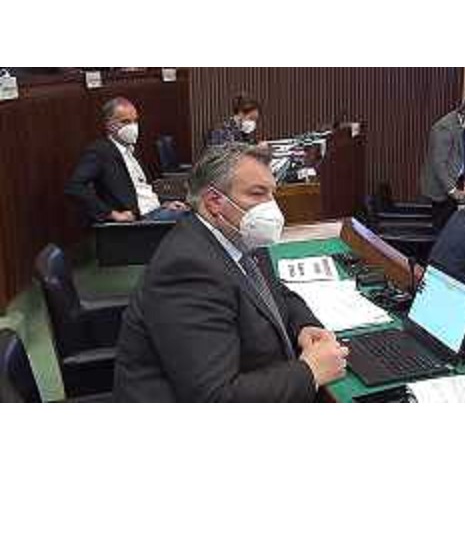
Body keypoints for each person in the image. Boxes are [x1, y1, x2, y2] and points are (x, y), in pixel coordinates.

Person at [114, 143, 349, 402]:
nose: (271, 208)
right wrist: (309, 373)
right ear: (214, 201)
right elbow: (216, 397)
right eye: (258, 194)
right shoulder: (187, 269)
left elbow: (275, 291)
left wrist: (304, 325)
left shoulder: (242, 236)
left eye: (272, 193)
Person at [65, 98, 188, 223]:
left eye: (135, 121)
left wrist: (164, 203)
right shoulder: (100, 152)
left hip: (156, 209)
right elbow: (74, 187)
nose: (133, 127)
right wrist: (111, 214)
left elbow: (142, 189)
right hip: (140, 220)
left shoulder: (131, 150)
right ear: (109, 125)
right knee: (191, 217)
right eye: (126, 122)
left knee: (192, 209)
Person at [420, 96, 465, 232]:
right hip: (440, 188)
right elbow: (438, 164)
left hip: (455, 180)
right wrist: (452, 190)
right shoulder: (444, 128)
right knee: (441, 228)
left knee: (452, 222)